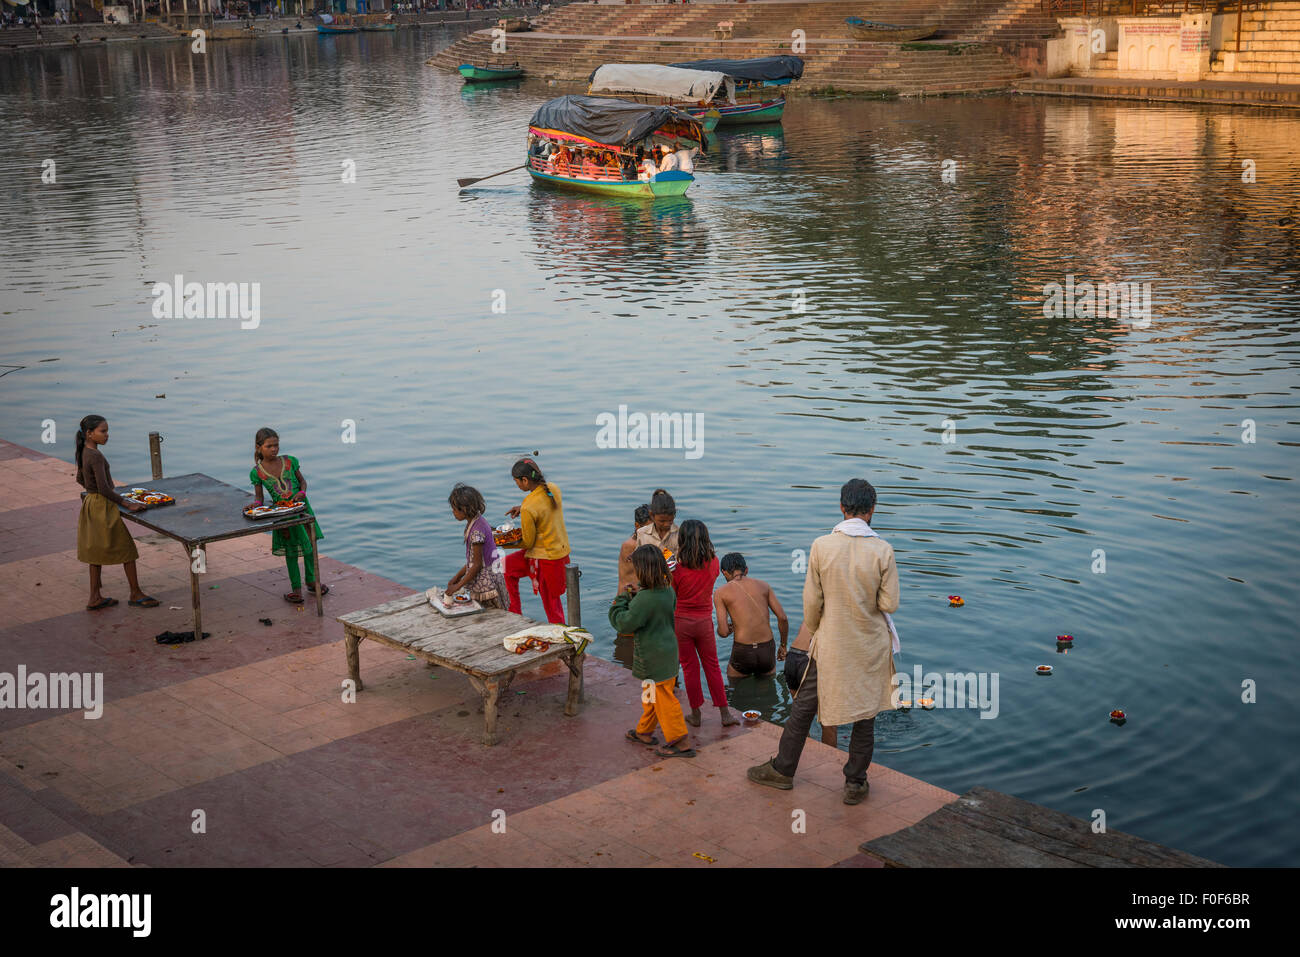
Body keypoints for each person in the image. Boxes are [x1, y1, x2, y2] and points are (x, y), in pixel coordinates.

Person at [748, 479, 899, 805]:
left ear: (842, 508)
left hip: (830, 642)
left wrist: (820, 630)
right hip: (869, 645)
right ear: (872, 510)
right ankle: (855, 783)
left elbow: (812, 606)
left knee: (803, 707)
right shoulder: (883, 550)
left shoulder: (821, 546)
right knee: (866, 714)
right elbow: (889, 604)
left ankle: (782, 771)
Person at [610, 545, 694, 758]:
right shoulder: (667, 591)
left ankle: (680, 741)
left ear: (643, 571)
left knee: (663, 697)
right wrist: (637, 595)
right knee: (650, 694)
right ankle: (644, 732)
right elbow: (652, 606)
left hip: (652, 657)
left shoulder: (645, 599)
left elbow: (624, 624)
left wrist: (620, 601)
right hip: (667, 653)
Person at [75, 416, 159, 611]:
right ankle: (135, 593)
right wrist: (126, 503)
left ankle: (95, 596)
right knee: (127, 549)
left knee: (94, 552)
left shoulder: (83, 452)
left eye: (107, 431)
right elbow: (105, 488)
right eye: (102, 431)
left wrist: (91, 491)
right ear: (89, 433)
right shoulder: (95, 456)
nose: (107, 435)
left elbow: (80, 478)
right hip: (102, 505)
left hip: (90, 503)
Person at [251, 427, 328, 605]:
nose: (274, 449)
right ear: (259, 447)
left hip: (302, 509)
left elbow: (302, 481)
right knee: (291, 550)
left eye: (276, 445)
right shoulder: (257, 472)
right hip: (283, 515)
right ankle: (296, 589)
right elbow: (259, 498)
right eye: (269, 446)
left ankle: (312, 581)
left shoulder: (290, 461)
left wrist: (302, 492)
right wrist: (255, 506)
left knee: (311, 543)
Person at [673, 520, 736, 727]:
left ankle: (696, 713)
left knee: (690, 668)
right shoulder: (714, 562)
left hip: (681, 622)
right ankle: (725, 713)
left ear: (681, 540)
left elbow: (672, 593)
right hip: (703, 622)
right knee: (712, 666)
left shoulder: (676, 569)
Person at [503, 457, 570, 623]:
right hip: (561, 553)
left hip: (544, 559)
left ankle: (561, 636)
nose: (517, 485)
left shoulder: (529, 506)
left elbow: (527, 542)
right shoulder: (553, 488)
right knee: (505, 567)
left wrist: (503, 542)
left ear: (525, 480)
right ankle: (514, 615)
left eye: (516, 481)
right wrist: (522, 508)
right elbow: (543, 507)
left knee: (551, 605)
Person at [715, 552, 787, 679]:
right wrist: (783, 646)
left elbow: (724, 632)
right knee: (768, 690)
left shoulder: (721, 593)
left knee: (734, 693)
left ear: (724, 572)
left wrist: (729, 629)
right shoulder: (764, 586)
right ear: (746, 570)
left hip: (743, 651)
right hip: (767, 649)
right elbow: (782, 618)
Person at [444, 483, 508, 609]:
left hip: (487, 584)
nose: (453, 512)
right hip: (491, 577)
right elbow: (473, 561)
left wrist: (457, 586)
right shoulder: (478, 521)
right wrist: (457, 576)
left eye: (454, 509)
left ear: (465, 509)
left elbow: (477, 565)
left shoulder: (476, 532)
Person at [781, 622, 836, 746]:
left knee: (801, 716)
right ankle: (829, 760)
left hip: (792, 657)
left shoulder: (818, 607)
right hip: (809, 660)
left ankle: (805, 752)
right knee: (828, 722)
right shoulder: (840, 612)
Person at [634, 487, 679, 556]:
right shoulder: (642, 533)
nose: (666, 524)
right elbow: (639, 559)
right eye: (662, 521)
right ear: (651, 515)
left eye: (670, 520)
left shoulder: (680, 534)